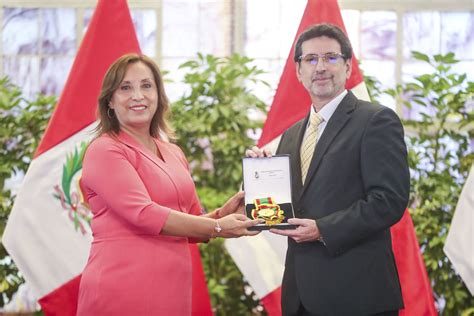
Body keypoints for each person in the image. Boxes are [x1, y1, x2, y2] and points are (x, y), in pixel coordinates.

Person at [77, 53, 260, 315]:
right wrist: (218, 226)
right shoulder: (104, 150)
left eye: (146, 86)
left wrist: (223, 213)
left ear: (159, 96)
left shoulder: (173, 152)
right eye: (125, 88)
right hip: (122, 288)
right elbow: (144, 214)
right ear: (110, 102)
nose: (138, 95)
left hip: (173, 289)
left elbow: (189, 223)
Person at [247, 23, 410, 316]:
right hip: (300, 296)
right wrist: (263, 178)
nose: (320, 67)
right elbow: (288, 207)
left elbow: (389, 202)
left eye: (330, 57)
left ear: (347, 66)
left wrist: (323, 229)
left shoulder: (376, 121)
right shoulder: (292, 134)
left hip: (357, 295)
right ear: (298, 72)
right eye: (310, 59)